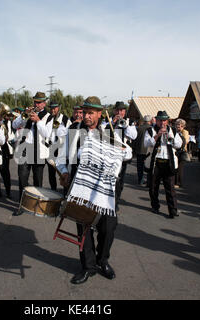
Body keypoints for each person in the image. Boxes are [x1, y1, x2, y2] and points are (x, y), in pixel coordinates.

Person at [57, 96, 132, 285]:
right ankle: (88, 267)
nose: (87, 116)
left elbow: (128, 153)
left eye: (91, 113)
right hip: (80, 189)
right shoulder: (73, 131)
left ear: (100, 113)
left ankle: (102, 261)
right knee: (84, 230)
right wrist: (65, 172)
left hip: (105, 191)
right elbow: (61, 158)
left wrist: (120, 151)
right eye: (85, 112)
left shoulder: (109, 131)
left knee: (109, 227)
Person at [12, 92, 54, 198]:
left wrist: (38, 121)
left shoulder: (49, 117)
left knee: (37, 179)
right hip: (25, 148)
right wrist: (23, 115)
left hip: (39, 149)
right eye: (35, 102)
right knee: (22, 177)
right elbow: (14, 125)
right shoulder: (28, 113)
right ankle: (23, 202)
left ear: (44, 103)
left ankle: (36, 201)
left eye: (39, 103)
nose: (36, 104)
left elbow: (47, 134)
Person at [144, 110, 182, 218]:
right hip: (155, 162)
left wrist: (171, 138)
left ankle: (173, 210)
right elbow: (146, 143)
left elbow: (179, 144)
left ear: (167, 121)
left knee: (170, 188)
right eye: (160, 121)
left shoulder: (173, 130)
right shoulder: (150, 130)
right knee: (153, 187)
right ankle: (155, 206)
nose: (162, 123)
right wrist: (158, 135)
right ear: (156, 120)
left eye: (164, 120)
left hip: (168, 162)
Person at [104, 101, 137, 211]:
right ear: (114, 111)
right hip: (110, 154)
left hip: (122, 156)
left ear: (124, 111)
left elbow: (134, 136)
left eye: (122, 110)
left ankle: (115, 201)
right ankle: (106, 200)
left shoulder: (129, 122)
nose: (119, 112)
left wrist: (126, 125)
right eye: (117, 110)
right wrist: (112, 123)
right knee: (108, 178)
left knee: (119, 180)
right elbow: (102, 133)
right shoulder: (107, 120)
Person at [47, 101, 71, 191]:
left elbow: (70, 132)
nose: (53, 110)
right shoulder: (49, 119)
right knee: (51, 173)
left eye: (55, 108)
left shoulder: (65, 119)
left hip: (61, 150)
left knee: (63, 173)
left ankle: (65, 192)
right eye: (51, 108)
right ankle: (53, 190)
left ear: (58, 108)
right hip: (51, 149)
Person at [134, 115, 152, 186]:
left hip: (139, 150)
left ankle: (140, 180)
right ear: (150, 121)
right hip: (148, 150)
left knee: (140, 166)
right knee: (148, 166)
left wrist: (134, 149)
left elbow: (135, 139)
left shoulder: (139, 128)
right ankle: (148, 181)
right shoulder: (151, 129)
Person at [174, 118, 190, 188]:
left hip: (182, 151)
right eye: (177, 125)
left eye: (180, 125)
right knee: (175, 167)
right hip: (175, 151)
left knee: (180, 168)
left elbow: (186, 141)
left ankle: (178, 182)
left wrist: (179, 139)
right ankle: (175, 181)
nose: (178, 127)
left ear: (183, 126)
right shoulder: (174, 131)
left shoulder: (185, 132)